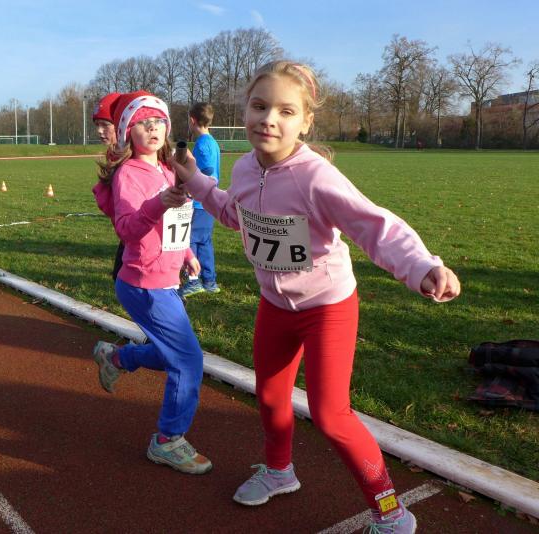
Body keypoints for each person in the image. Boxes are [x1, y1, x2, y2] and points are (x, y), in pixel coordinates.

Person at [172, 61, 460, 533]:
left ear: (305, 122)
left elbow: (373, 225)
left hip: (327, 308)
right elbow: (233, 214)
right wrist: (196, 181)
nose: (269, 119)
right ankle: (279, 472)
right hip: (275, 306)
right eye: (259, 106)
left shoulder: (315, 178)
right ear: (244, 112)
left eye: (285, 111)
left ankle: (391, 513)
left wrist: (421, 266)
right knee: (270, 397)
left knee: (331, 415)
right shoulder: (245, 168)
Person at [92, 90, 212, 475]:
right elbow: (127, 229)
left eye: (159, 121)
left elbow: (173, 224)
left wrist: (187, 254)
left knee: (168, 353)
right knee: (188, 361)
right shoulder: (128, 174)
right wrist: (159, 202)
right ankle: (167, 441)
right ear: (128, 131)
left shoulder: (166, 168)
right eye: (143, 123)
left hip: (165, 279)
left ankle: (117, 358)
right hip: (143, 283)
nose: (153, 128)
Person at [180, 102, 221, 297]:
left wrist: (190, 187)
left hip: (199, 203)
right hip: (208, 203)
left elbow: (207, 172)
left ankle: (194, 281)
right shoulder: (211, 142)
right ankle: (210, 281)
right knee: (204, 242)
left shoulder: (203, 145)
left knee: (190, 241)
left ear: (192, 120)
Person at [90, 93, 125, 280]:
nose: (99, 131)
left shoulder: (135, 157)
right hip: (128, 233)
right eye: (97, 125)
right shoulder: (114, 153)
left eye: (105, 125)